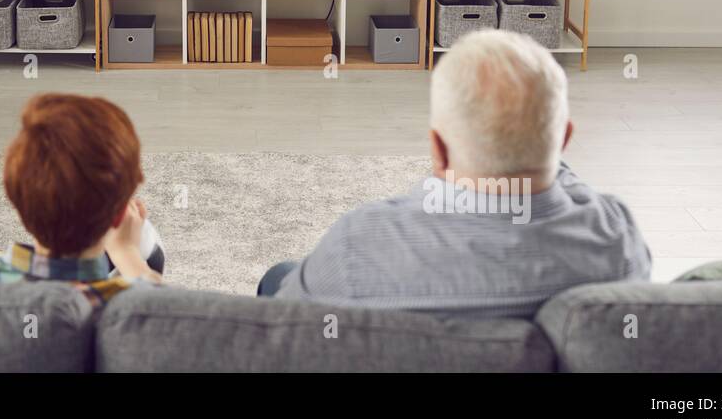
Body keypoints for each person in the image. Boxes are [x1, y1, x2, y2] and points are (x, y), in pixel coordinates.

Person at [258, 30, 651, 318]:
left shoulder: (358, 244)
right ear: (565, 139)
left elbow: (285, 337)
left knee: (278, 277)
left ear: (438, 149)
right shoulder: (618, 238)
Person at [0, 93, 163, 308]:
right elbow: (164, 308)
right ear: (120, 215)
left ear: (16, 199)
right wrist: (126, 252)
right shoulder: (136, 308)